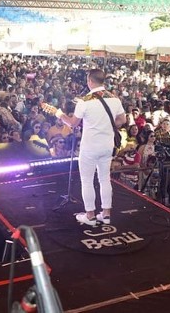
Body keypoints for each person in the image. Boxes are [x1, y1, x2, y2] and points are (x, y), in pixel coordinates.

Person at [47, 69, 126, 225]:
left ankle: (90, 215)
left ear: (90, 81)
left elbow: (72, 123)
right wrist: (105, 126)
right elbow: (121, 120)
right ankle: (106, 214)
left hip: (90, 147)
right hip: (107, 145)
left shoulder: (85, 101)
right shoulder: (114, 99)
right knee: (104, 179)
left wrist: (58, 114)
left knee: (87, 180)